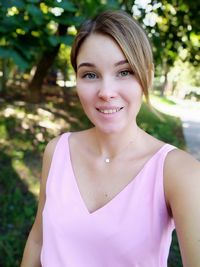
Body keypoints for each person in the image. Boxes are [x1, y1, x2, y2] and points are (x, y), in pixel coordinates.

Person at [21, 10, 200, 267]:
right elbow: (39, 239)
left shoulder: (180, 172)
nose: (106, 92)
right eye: (90, 74)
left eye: (124, 72)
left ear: (146, 76)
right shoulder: (57, 150)